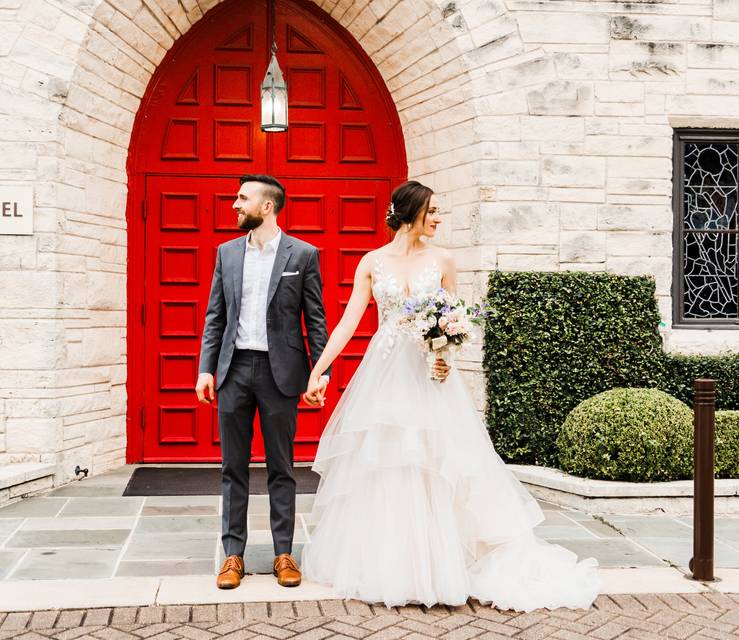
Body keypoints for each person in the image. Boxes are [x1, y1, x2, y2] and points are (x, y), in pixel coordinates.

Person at [299, 180, 600, 611]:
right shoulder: (372, 262)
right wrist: (319, 368)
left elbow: (452, 324)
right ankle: (395, 566)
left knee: (436, 464)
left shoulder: (443, 260)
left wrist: (446, 359)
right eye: (434, 211)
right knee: (388, 465)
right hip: (384, 374)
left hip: (430, 377)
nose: (440, 218)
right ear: (411, 211)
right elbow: (349, 322)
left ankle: (442, 564)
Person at [196, 174, 330, 590]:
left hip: (281, 374)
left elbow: (316, 319)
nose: (235, 205)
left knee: (281, 467)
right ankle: (232, 554)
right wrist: (206, 369)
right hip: (233, 371)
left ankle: (283, 554)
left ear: (267, 207)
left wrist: (319, 372)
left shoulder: (303, 254)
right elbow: (215, 315)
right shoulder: (226, 253)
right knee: (232, 467)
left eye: (242, 198)